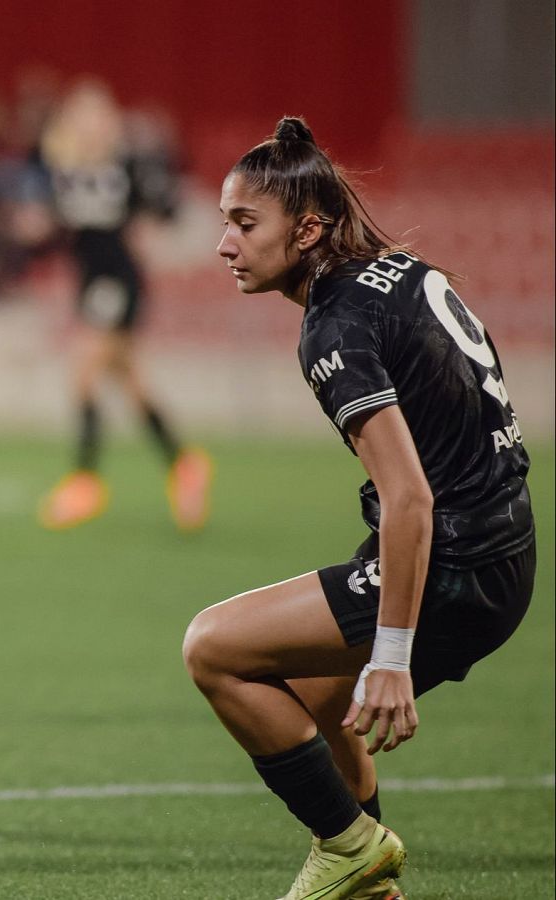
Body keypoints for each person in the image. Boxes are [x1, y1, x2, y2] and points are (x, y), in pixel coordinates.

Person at [184, 117, 535, 900]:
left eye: (245, 223)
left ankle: (350, 848)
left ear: (307, 229)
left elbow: (411, 494)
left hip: (457, 564)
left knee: (212, 648)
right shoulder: (397, 269)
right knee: (312, 704)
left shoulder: (334, 325)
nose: (225, 245)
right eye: (224, 223)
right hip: (501, 546)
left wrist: (392, 656)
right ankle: (369, 881)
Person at [24, 81, 213, 532]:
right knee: (131, 384)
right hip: (91, 283)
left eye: (95, 116)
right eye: (79, 116)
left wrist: (154, 224)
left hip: (118, 281)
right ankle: (185, 463)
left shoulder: (126, 165)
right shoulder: (64, 169)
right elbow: (62, 228)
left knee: (84, 372)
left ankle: (85, 481)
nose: (87, 125)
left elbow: (163, 207)